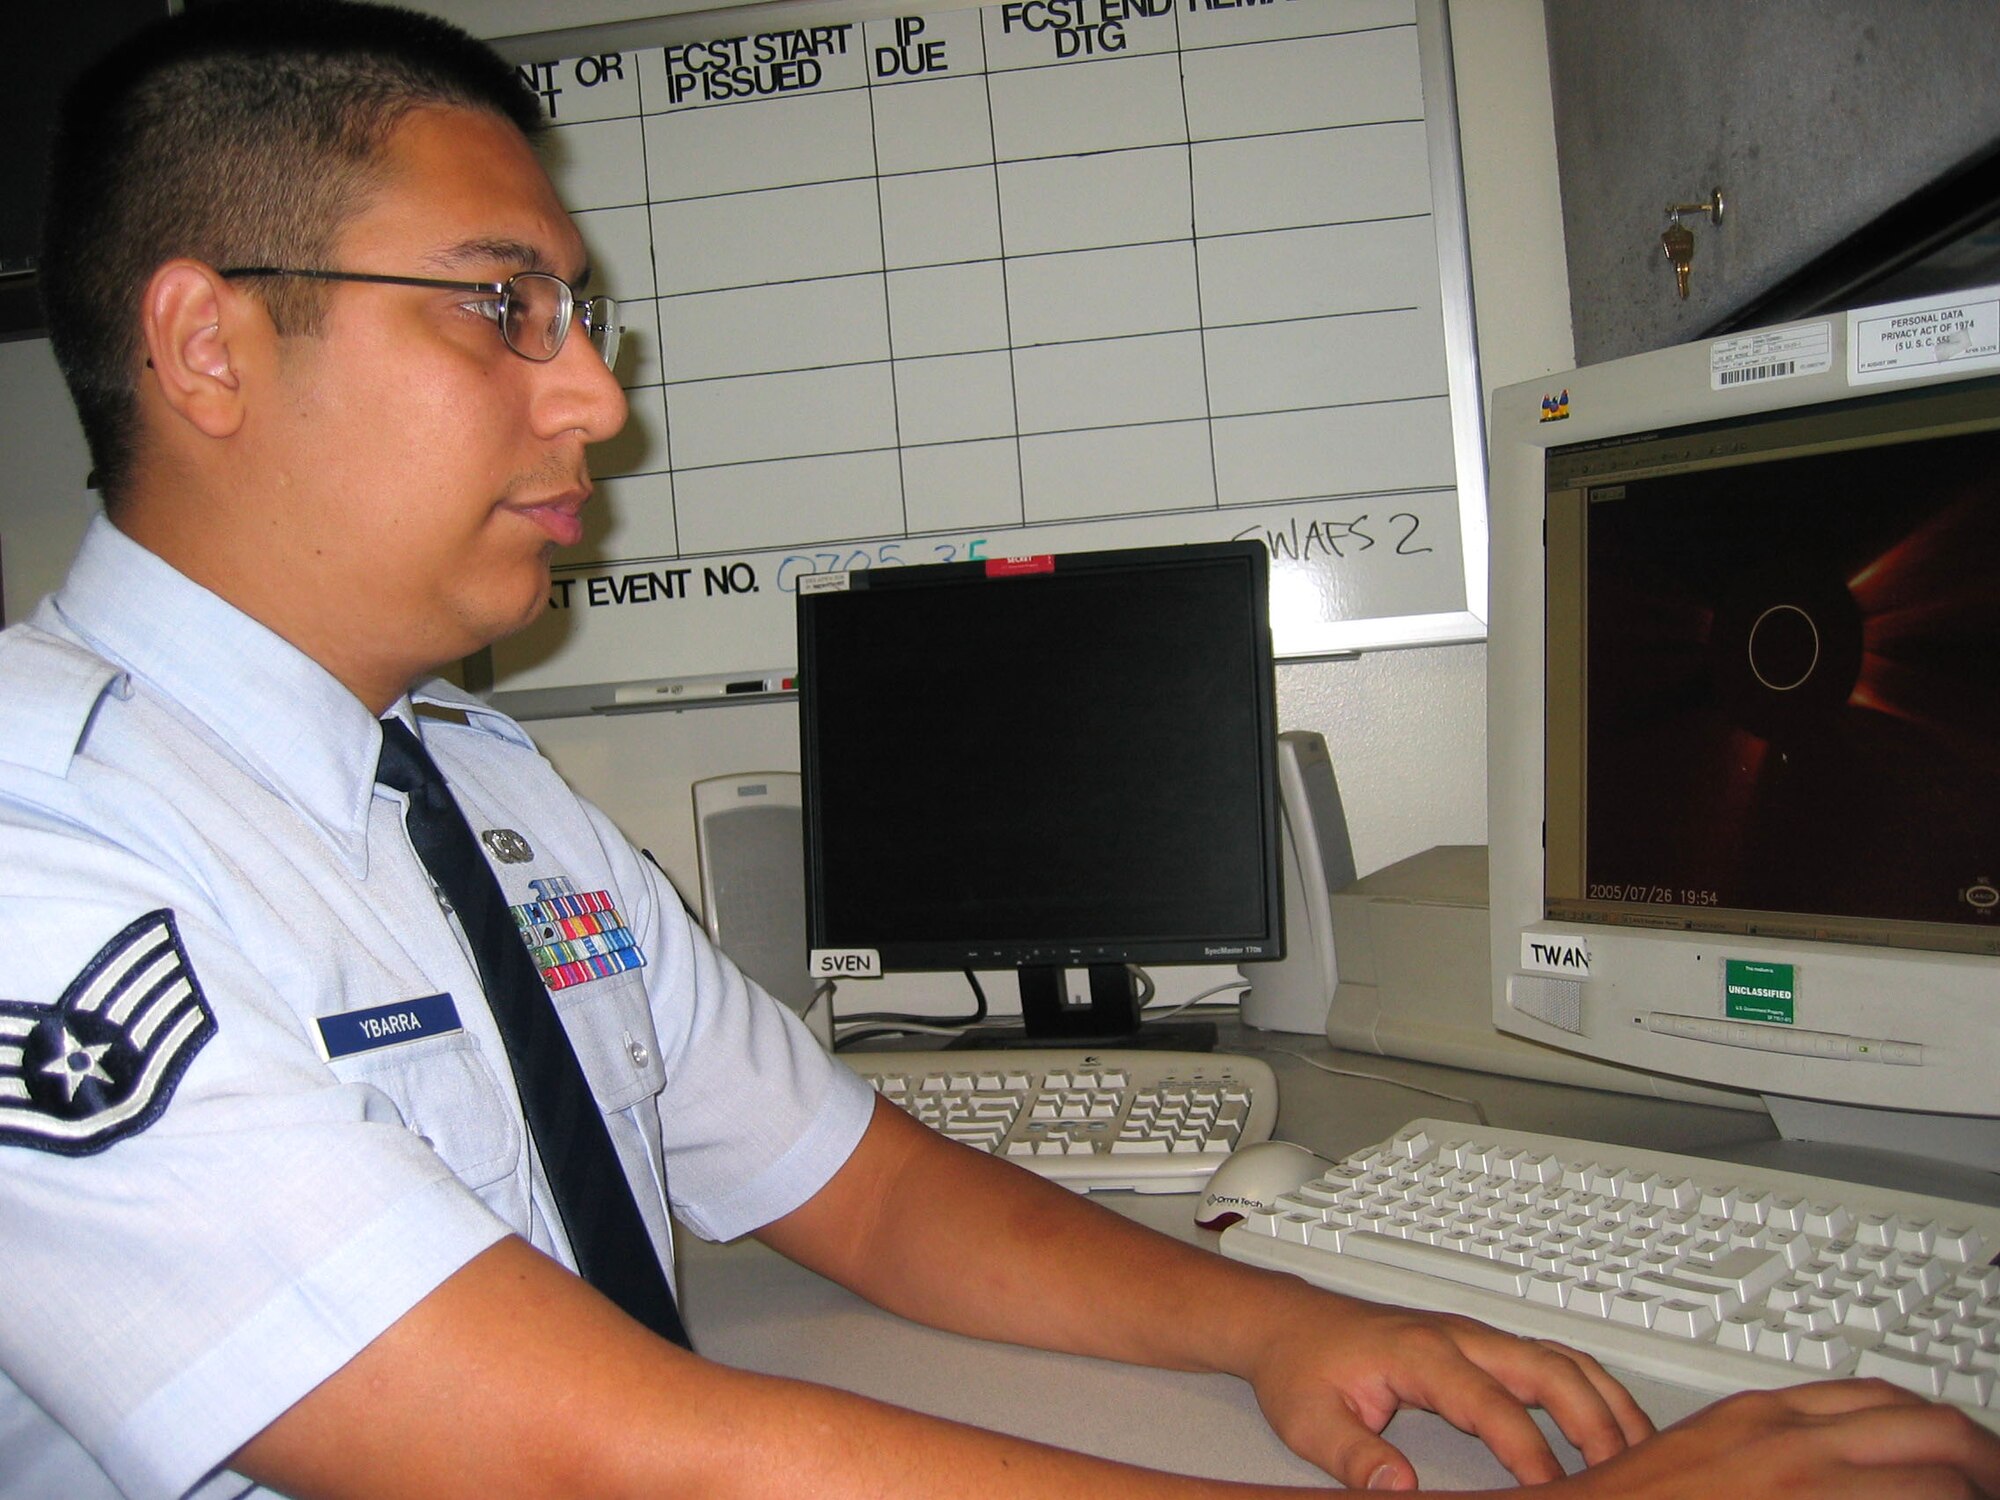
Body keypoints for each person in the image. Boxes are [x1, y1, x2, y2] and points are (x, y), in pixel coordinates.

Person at [2, 4, 1995, 1497]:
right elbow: (591, 1451)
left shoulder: (477, 788)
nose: (593, 397)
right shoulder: (40, 846)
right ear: (207, 346)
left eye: (579, 313)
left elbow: (864, 1192)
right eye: (502, 306)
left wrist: (1291, 1322)